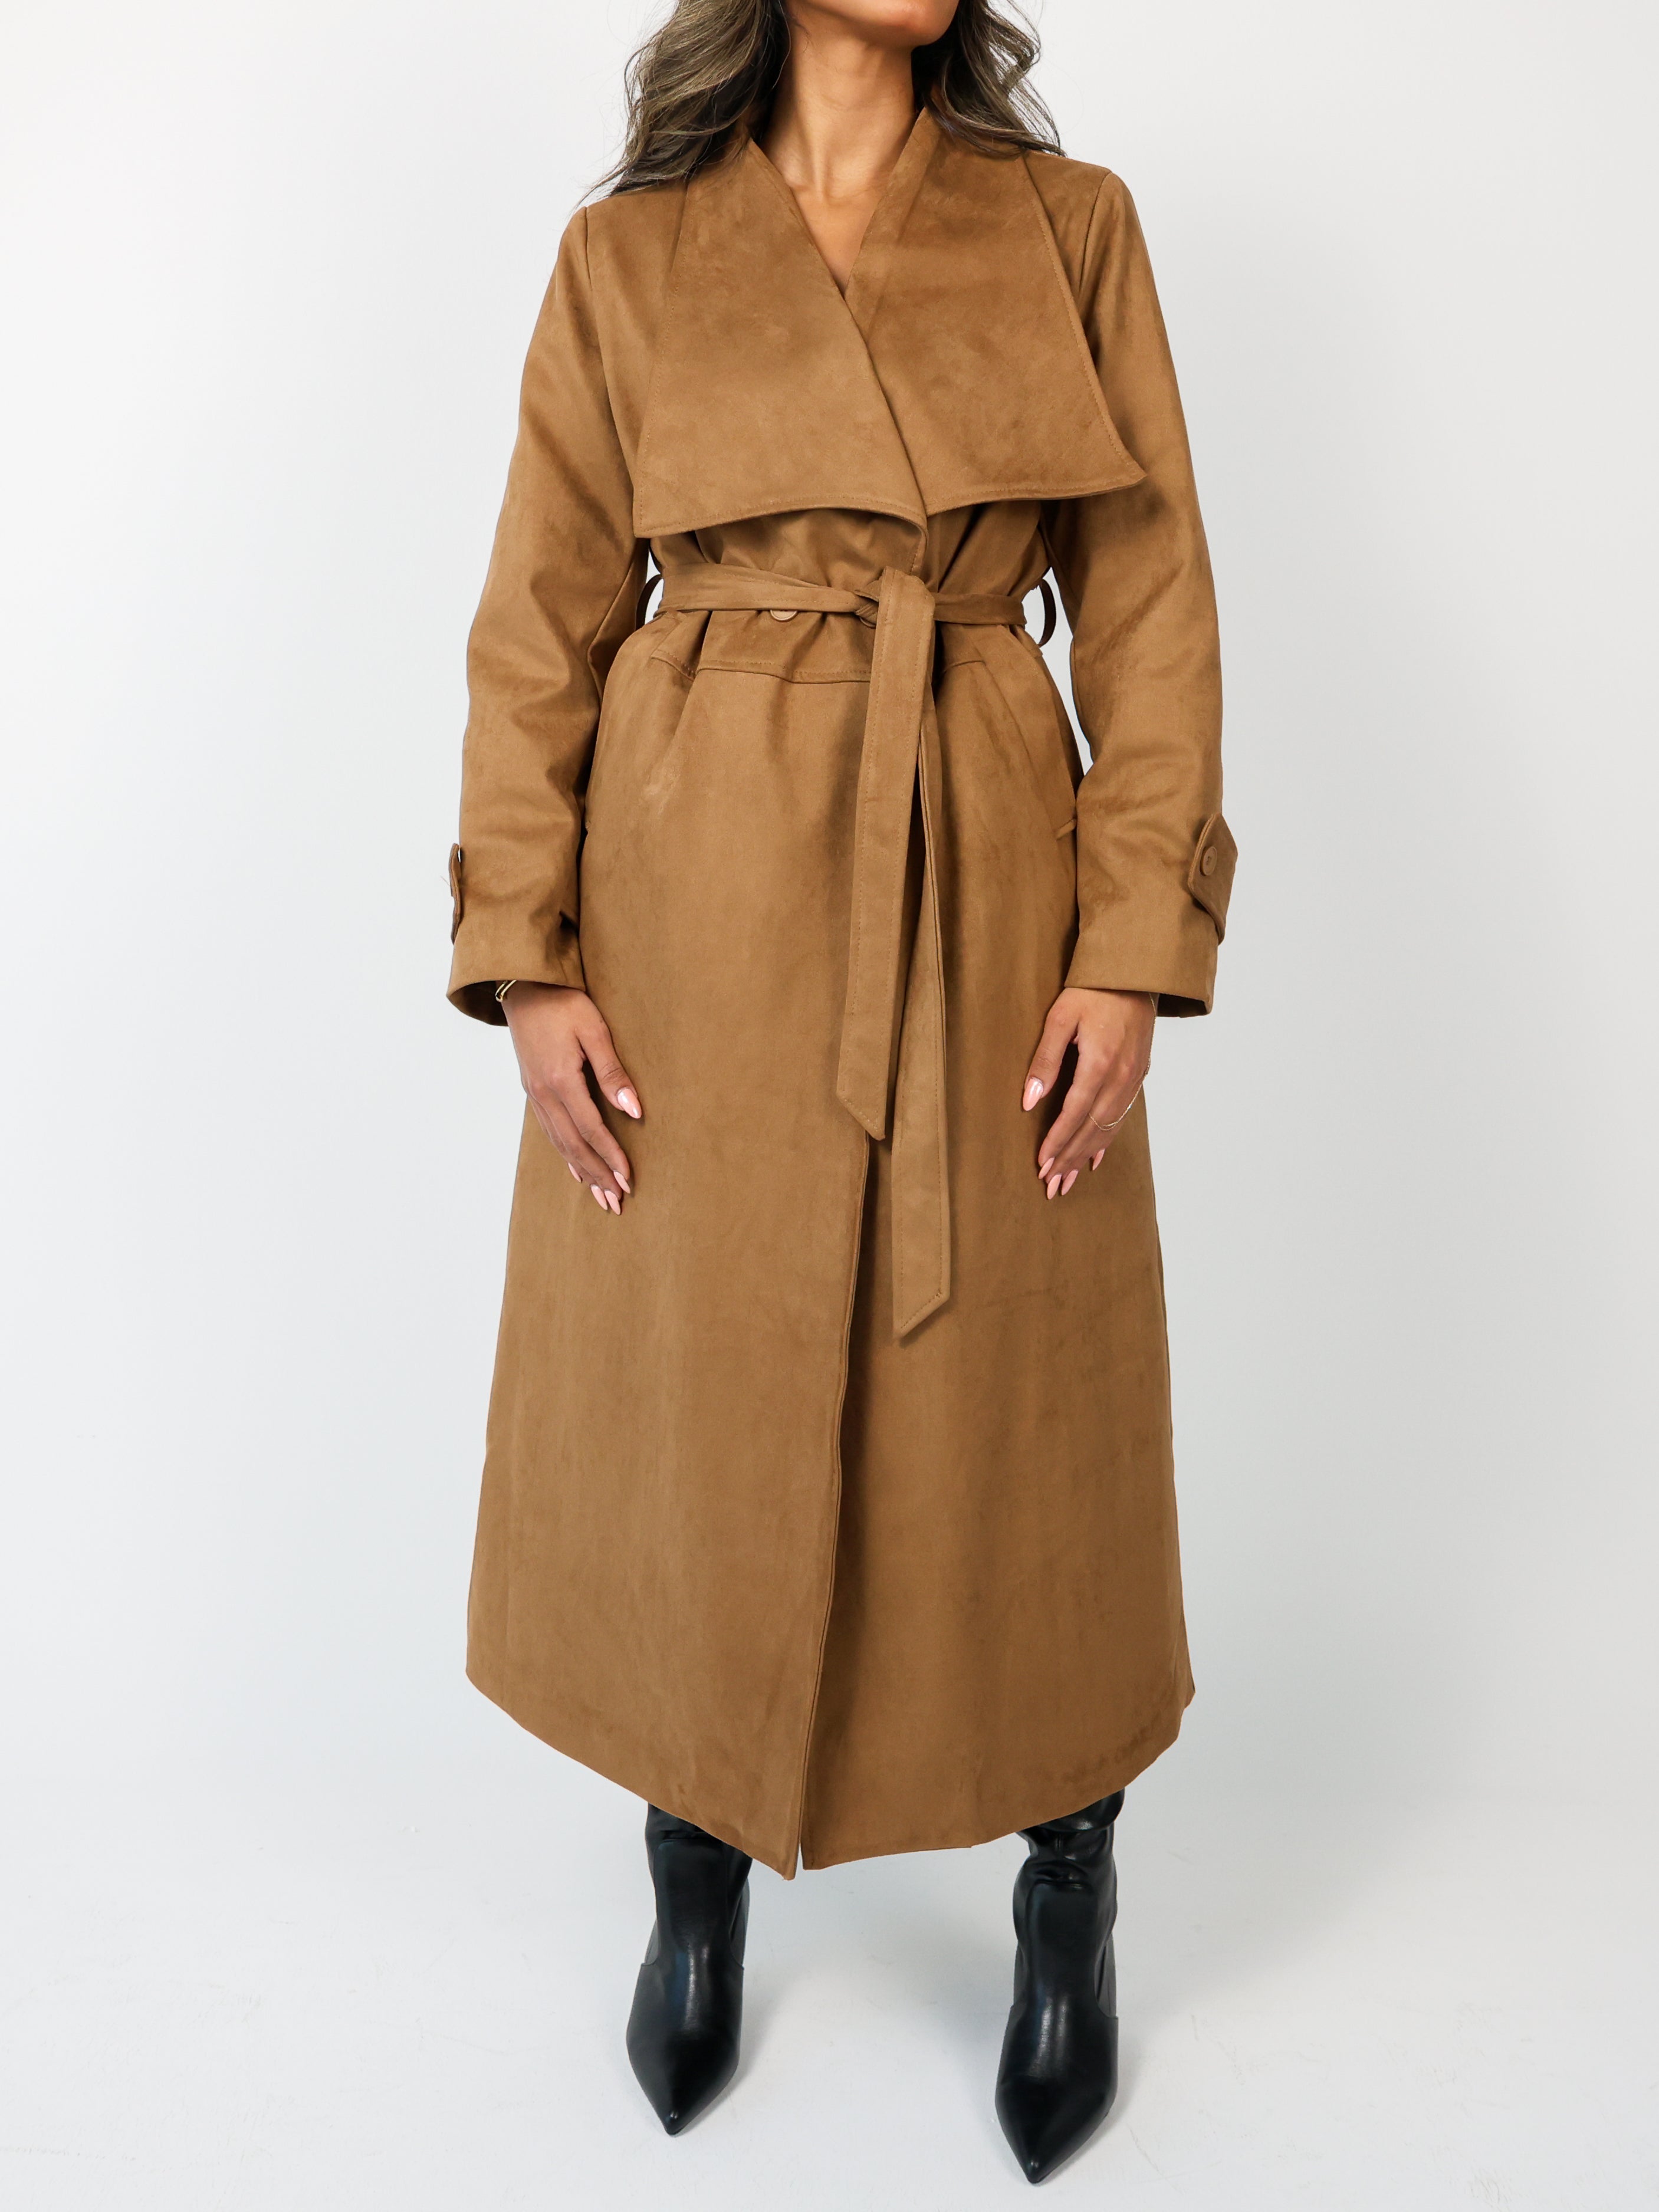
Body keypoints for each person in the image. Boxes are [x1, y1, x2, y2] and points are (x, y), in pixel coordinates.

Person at [445, 0, 1231, 2181]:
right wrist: (529, 952)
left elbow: (1150, 608)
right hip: (691, 895)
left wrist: (1131, 945)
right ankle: (691, 1861)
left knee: (1025, 1400)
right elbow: (539, 623)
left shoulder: (1071, 227)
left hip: (983, 869)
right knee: (699, 1378)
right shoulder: (630, 253)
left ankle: (1066, 1882)